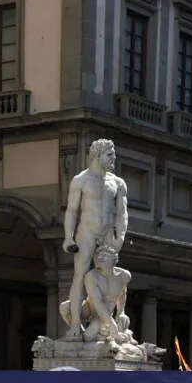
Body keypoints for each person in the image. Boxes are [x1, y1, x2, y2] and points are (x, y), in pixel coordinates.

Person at [60, 139, 128, 340]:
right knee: (79, 276)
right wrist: (68, 238)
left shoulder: (118, 183)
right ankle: (75, 325)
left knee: (110, 275)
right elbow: (71, 211)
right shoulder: (80, 180)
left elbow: (121, 214)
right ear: (97, 155)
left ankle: (108, 320)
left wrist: (120, 237)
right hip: (87, 231)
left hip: (107, 232)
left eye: (113, 154)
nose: (113, 158)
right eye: (109, 154)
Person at [80, 246, 131, 343]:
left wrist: (121, 312)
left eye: (104, 255)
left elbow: (122, 293)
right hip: (93, 311)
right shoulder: (91, 276)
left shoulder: (124, 276)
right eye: (99, 255)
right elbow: (97, 301)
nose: (100, 257)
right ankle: (79, 331)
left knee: (89, 336)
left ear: (114, 260)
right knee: (87, 336)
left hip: (107, 314)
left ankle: (107, 337)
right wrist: (111, 323)